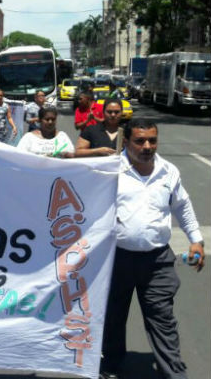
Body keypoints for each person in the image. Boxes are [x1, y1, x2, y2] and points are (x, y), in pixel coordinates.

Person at [100, 118, 205, 379]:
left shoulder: (168, 171)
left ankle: (174, 373)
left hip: (157, 261)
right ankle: (111, 365)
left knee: (163, 319)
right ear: (127, 142)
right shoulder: (110, 170)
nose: (147, 146)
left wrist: (196, 240)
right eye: (140, 141)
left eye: (152, 140)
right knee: (112, 317)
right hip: (116, 259)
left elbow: (183, 207)